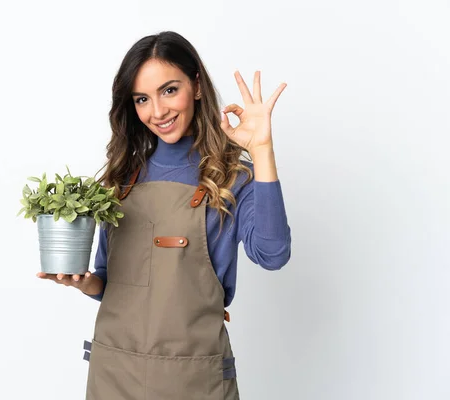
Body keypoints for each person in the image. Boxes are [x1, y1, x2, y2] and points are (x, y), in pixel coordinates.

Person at [37, 31, 291, 400]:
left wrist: (263, 150)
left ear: (197, 86)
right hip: (115, 375)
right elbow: (111, 283)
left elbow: (273, 254)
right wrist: (83, 282)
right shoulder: (121, 180)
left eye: (169, 90)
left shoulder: (234, 178)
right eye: (142, 99)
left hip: (194, 378)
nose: (157, 111)